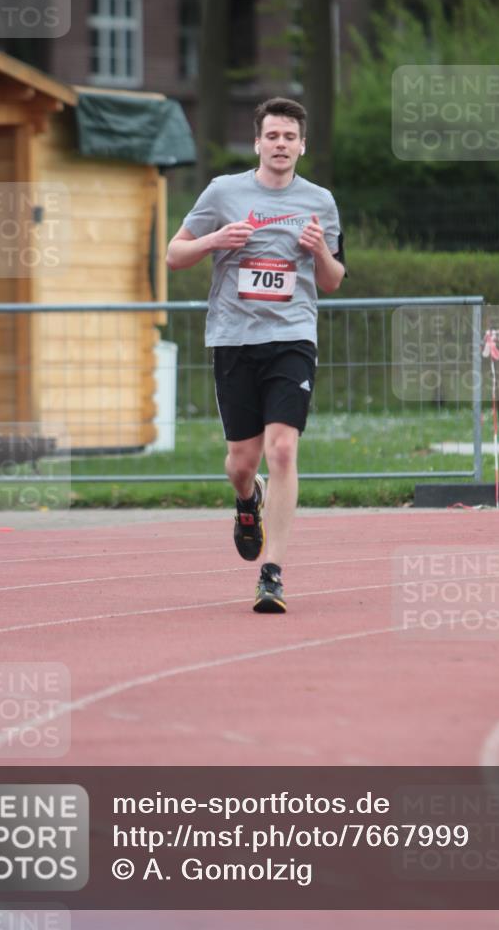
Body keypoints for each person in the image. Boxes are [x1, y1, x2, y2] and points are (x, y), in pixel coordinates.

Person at [166, 97, 345, 614]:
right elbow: (174, 255)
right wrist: (215, 240)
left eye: (289, 137)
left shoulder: (320, 202)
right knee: (241, 463)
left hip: (292, 338)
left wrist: (319, 250)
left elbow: (333, 280)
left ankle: (273, 573)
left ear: (302, 145)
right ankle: (248, 499)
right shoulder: (223, 193)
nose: (280, 145)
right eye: (272, 136)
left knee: (283, 449)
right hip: (234, 339)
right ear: (257, 143)